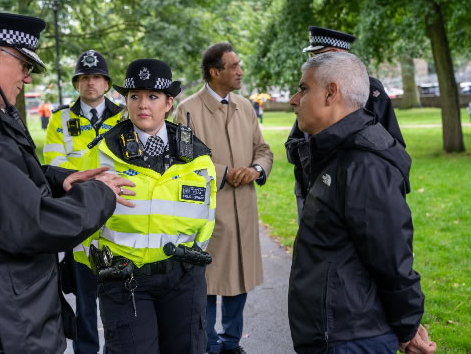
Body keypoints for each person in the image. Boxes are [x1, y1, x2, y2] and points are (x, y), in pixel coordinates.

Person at [0, 9, 135, 354]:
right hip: (5, 313)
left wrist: (63, 180)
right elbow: (30, 223)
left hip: (1, 308)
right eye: (25, 65)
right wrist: (100, 194)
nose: (27, 78)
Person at [287, 52, 436, 354]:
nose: (293, 99)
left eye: (303, 89)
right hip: (335, 331)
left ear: (331, 93)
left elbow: (391, 257)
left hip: (350, 337)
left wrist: (408, 327)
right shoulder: (336, 150)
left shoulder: (363, 162)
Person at [90, 58, 216, 354]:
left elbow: (207, 217)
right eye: (134, 96)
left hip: (183, 277)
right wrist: (95, 268)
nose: (142, 105)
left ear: (169, 103)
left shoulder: (197, 155)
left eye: (152, 97)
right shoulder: (104, 151)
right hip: (124, 277)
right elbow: (87, 218)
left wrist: (191, 257)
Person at [175, 43, 274, 354]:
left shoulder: (245, 106)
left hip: (243, 209)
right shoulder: (186, 110)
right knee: (206, 281)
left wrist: (257, 169)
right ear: (215, 72)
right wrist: (225, 172)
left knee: (239, 279)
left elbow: (264, 149)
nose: (240, 71)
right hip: (208, 214)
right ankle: (209, 344)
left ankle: (231, 344)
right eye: (234, 66)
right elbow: (182, 158)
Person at [43, 49, 123, 354]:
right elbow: (55, 166)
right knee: (85, 299)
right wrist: (95, 183)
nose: (91, 83)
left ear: (106, 83)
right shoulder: (60, 119)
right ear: (77, 83)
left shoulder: (123, 117)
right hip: (79, 219)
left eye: (97, 77)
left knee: (118, 297)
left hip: (117, 219)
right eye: (85, 77)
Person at [286, 26, 406, 221]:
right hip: (313, 193)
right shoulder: (313, 90)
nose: (312, 62)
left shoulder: (370, 90)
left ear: (337, 55)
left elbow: (392, 146)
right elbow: (294, 144)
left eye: (318, 56)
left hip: (352, 197)